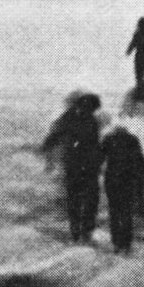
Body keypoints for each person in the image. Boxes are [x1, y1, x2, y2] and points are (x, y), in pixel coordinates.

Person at [41, 93, 104, 245]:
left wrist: (47, 147)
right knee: (86, 199)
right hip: (83, 165)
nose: (93, 111)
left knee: (77, 199)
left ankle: (78, 232)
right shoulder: (86, 120)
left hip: (77, 164)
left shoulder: (72, 118)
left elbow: (54, 136)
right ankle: (82, 233)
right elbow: (55, 136)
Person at [102, 119, 144, 254]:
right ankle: (126, 244)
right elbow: (139, 159)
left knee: (114, 212)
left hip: (112, 180)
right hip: (127, 180)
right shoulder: (132, 140)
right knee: (127, 212)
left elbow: (98, 157)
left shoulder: (108, 139)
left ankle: (116, 243)